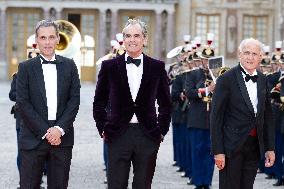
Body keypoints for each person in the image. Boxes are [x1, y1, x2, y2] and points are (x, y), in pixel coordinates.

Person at [93, 19, 171, 189]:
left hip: (148, 135)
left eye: (137, 35)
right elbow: (99, 102)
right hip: (117, 134)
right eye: (128, 36)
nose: (132, 40)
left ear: (145, 39)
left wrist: (161, 130)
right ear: (123, 39)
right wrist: (103, 128)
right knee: (115, 185)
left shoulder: (157, 67)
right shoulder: (109, 66)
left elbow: (166, 104)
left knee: (143, 185)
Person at [16, 19, 80, 189]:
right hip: (33, 137)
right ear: (36, 40)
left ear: (58, 38)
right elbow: (22, 102)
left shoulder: (70, 66)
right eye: (43, 38)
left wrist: (58, 130)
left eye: (51, 37)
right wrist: (46, 131)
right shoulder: (25, 68)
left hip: (62, 139)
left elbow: (74, 100)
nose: (47, 42)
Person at [210, 38, 275, 189]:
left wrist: (270, 148)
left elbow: (268, 117)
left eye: (254, 54)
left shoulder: (263, 80)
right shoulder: (226, 79)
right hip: (231, 147)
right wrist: (218, 151)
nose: (250, 57)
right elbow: (216, 118)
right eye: (246, 53)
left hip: (254, 146)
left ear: (260, 57)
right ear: (240, 54)